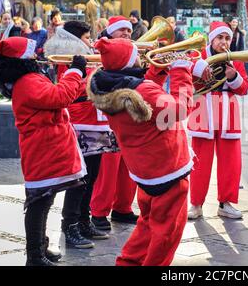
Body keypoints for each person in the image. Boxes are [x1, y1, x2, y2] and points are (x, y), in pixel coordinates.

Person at [87, 37, 194, 266]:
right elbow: (180, 108)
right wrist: (181, 71)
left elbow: (146, 96)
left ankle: (128, 262)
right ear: (128, 61)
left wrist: (158, 71)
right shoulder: (141, 91)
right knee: (167, 233)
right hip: (167, 169)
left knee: (147, 224)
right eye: (135, 54)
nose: (140, 56)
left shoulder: (110, 86)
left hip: (144, 170)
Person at [0, 37, 87, 265]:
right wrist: (75, 72)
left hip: (46, 146)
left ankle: (40, 247)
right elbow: (60, 97)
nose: (37, 56)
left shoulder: (27, 79)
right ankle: (34, 255)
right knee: (39, 202)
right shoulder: (28, 82)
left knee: (45, 199)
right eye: (32, 54)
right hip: (43, 148)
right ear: (22, 60)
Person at [44, 21, 111, 246]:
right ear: (74, 39)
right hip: (80, 121)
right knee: (79, 179)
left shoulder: (85, 56)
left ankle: (84, 220)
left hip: (94, 120)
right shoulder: (68, 58)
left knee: (91, 176)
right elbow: (70, 89)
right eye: (86, 38)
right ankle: (70, 225)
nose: (90, 42)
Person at [187, 22, 248, 220]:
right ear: (211, 39)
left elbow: (244, 88)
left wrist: (234, 76)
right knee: (199, 163)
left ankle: (226, 203)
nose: (224, 42)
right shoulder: (198, 56)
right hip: (202, 112)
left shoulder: (235, 59)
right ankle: (196, 204)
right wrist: (196, 68)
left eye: (227, 38)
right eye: (220, 38)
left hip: (228, 113)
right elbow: (186, 78)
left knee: (231, 162)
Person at [90, 15, 138, 231]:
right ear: (111, 32)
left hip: (128, 118)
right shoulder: (100, 52)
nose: (127, 34)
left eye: (129, 31)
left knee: (128, 167)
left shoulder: (133, 50)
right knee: (107, 170)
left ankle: (123, 207)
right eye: (122, 31)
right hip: (106, 120)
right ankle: (99, 212)